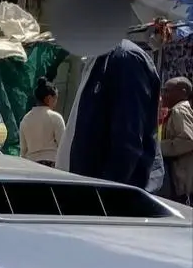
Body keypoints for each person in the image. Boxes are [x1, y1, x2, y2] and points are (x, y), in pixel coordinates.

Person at [54, 38, 160, 189]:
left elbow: (127, 145)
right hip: (82, 190)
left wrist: (104, 197)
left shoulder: (126, 59)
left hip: (104, 200)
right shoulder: (96, 60)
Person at [159, 76, 193, 205]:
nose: (163, 95)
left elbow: (188, 140)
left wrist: (159, 147)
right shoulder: (181, 109)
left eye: (167, 90)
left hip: (184, 184)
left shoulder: (180, 110)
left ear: (182, 92)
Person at [18, 77, 65, 167]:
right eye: (55, 99)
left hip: (31, 165)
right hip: (52, 165)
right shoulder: (55, 117)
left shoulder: (25, 119)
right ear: (49, 98)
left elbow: (23, 151)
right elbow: (63, 146)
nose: (56, 103)